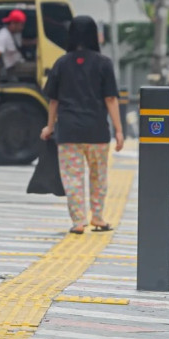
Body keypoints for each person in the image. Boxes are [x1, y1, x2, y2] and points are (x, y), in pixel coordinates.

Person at [40, 15, 124, 235]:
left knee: (73, 177)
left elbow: (54, 100)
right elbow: (111, 99)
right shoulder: (103, 63)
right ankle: (97, 217)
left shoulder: (62, 62)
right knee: (98, 176)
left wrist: (49, 127)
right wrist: (119, 130)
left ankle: (78, 221)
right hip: (97, 131)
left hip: (69, 132)